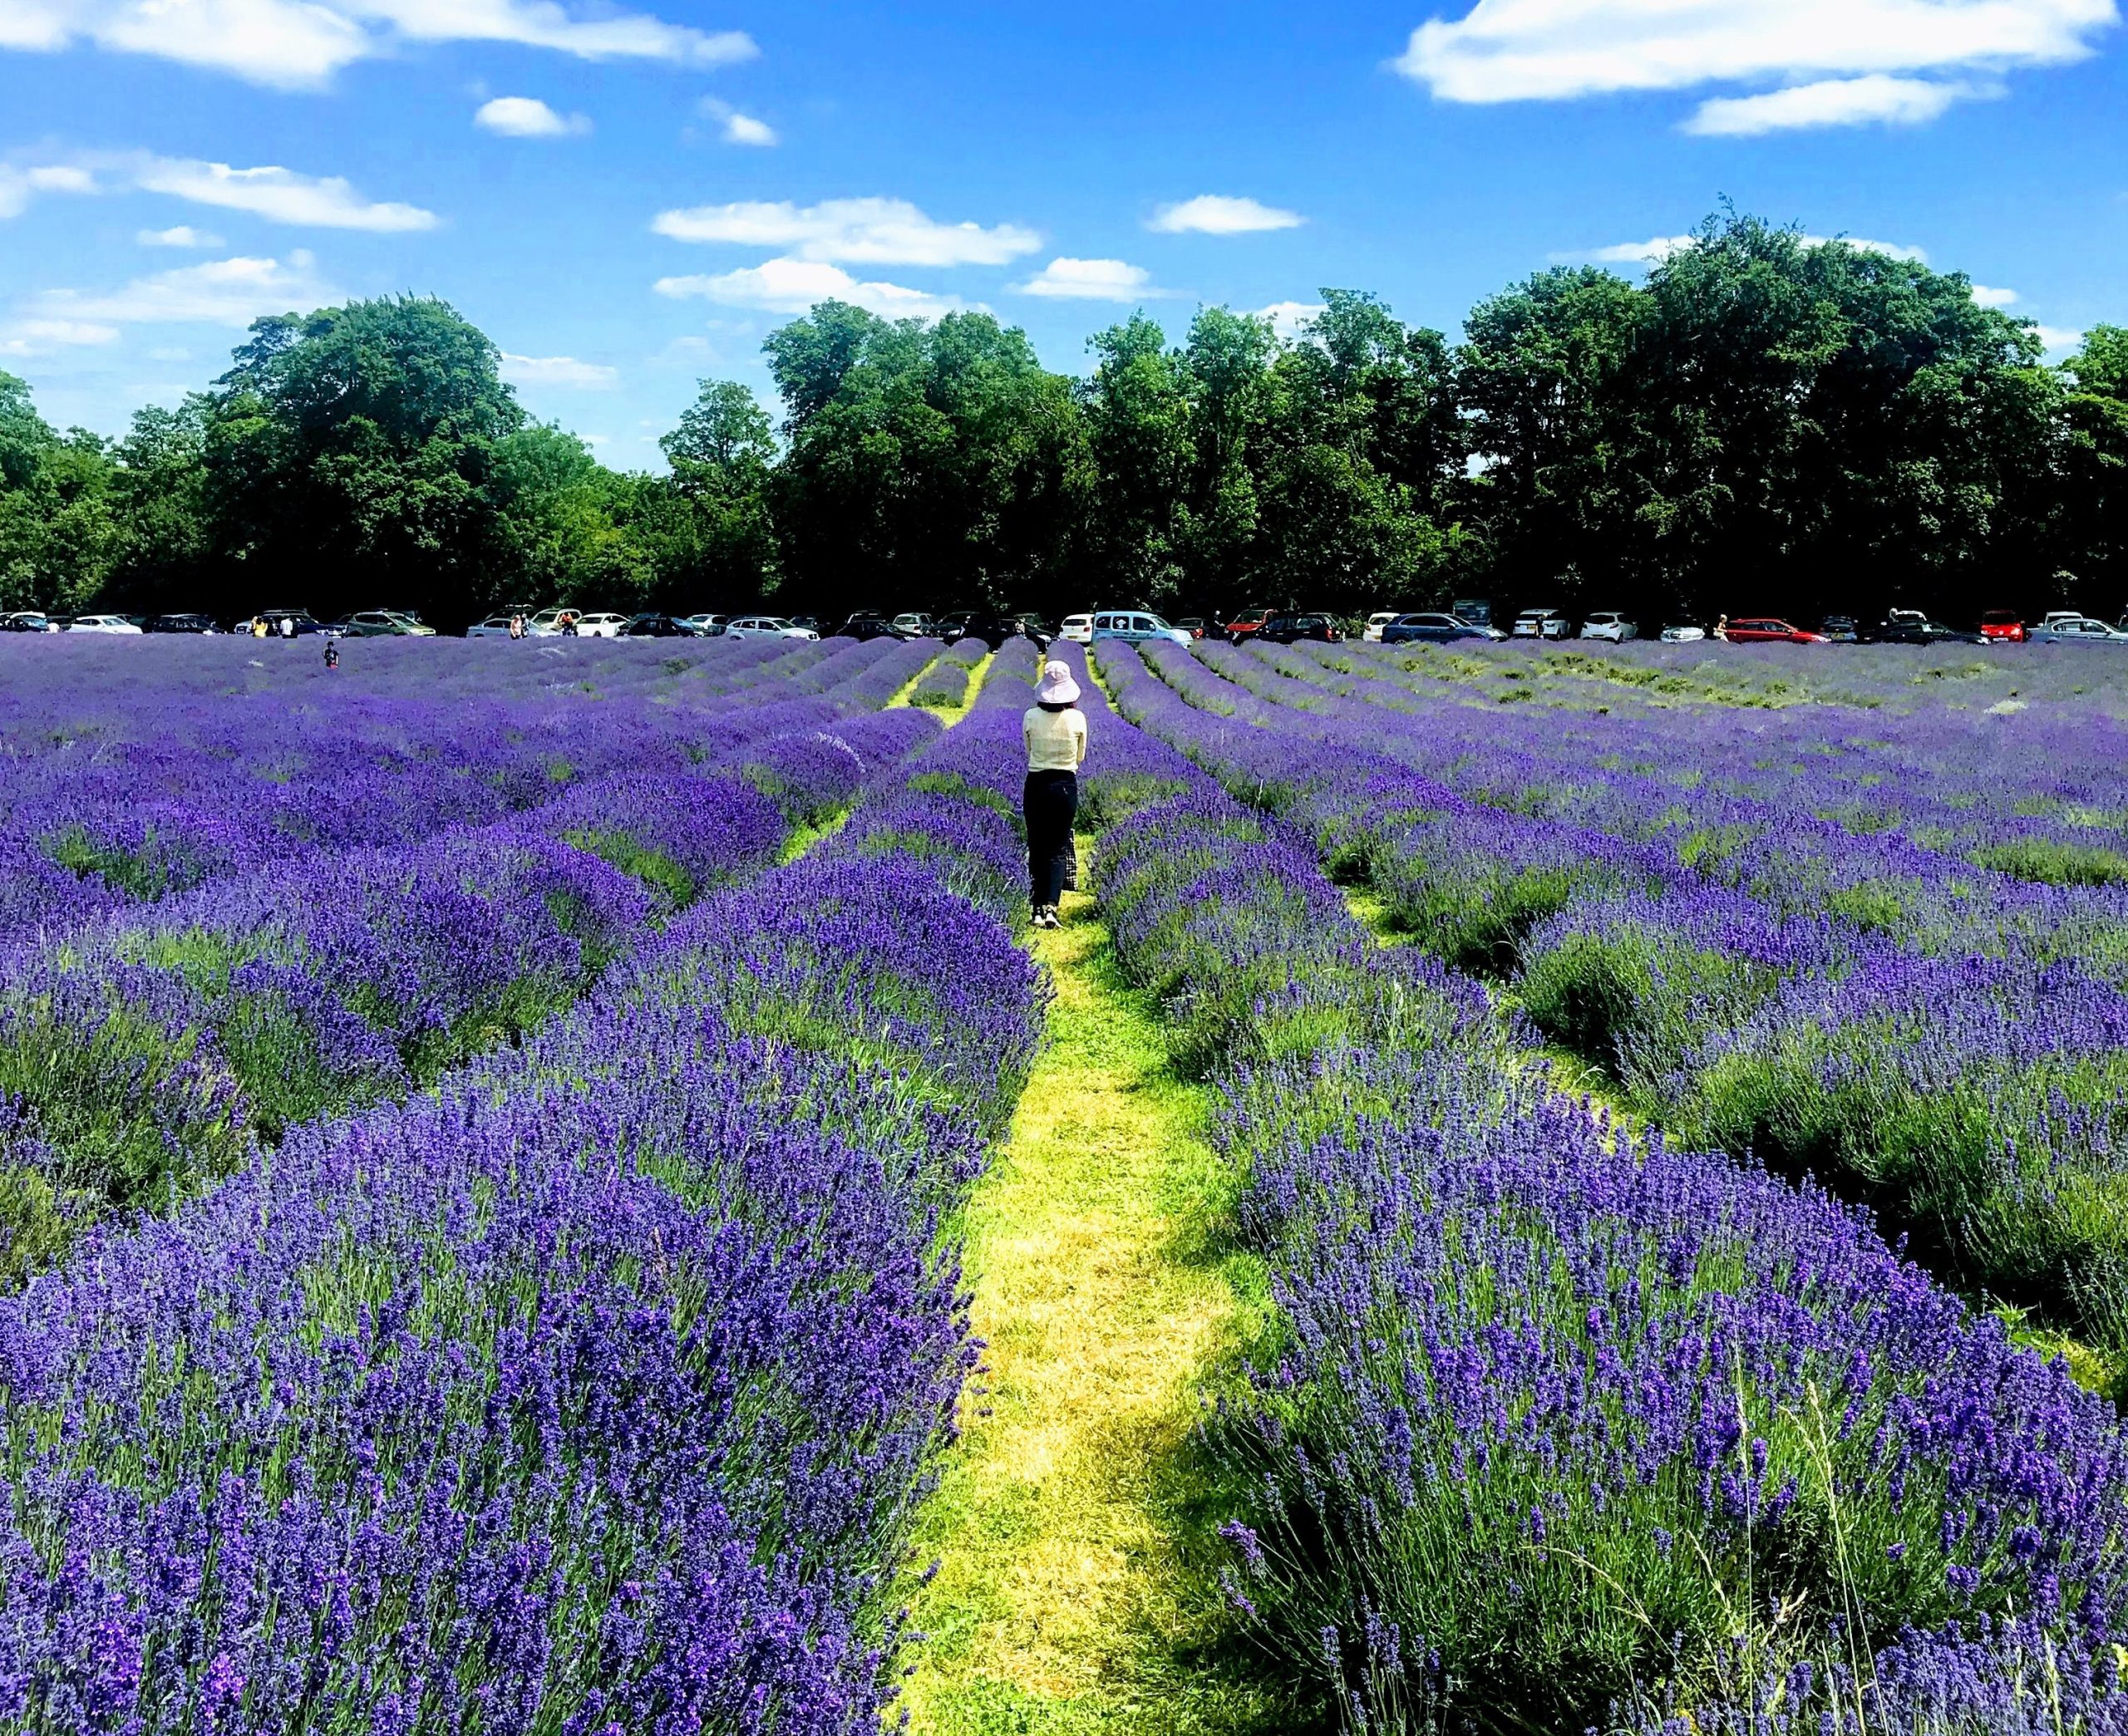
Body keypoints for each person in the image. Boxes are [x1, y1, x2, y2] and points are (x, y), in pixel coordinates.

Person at [1022, 657, 1087, 930]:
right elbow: (1081, 757)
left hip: (1036, 783)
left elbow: (1028, 751)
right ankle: (1051, 908)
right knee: (1058, 847)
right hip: (1065, 785)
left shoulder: (1030, 716)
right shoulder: (1077, 718)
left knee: (1037, 846)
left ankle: (1036, 909)